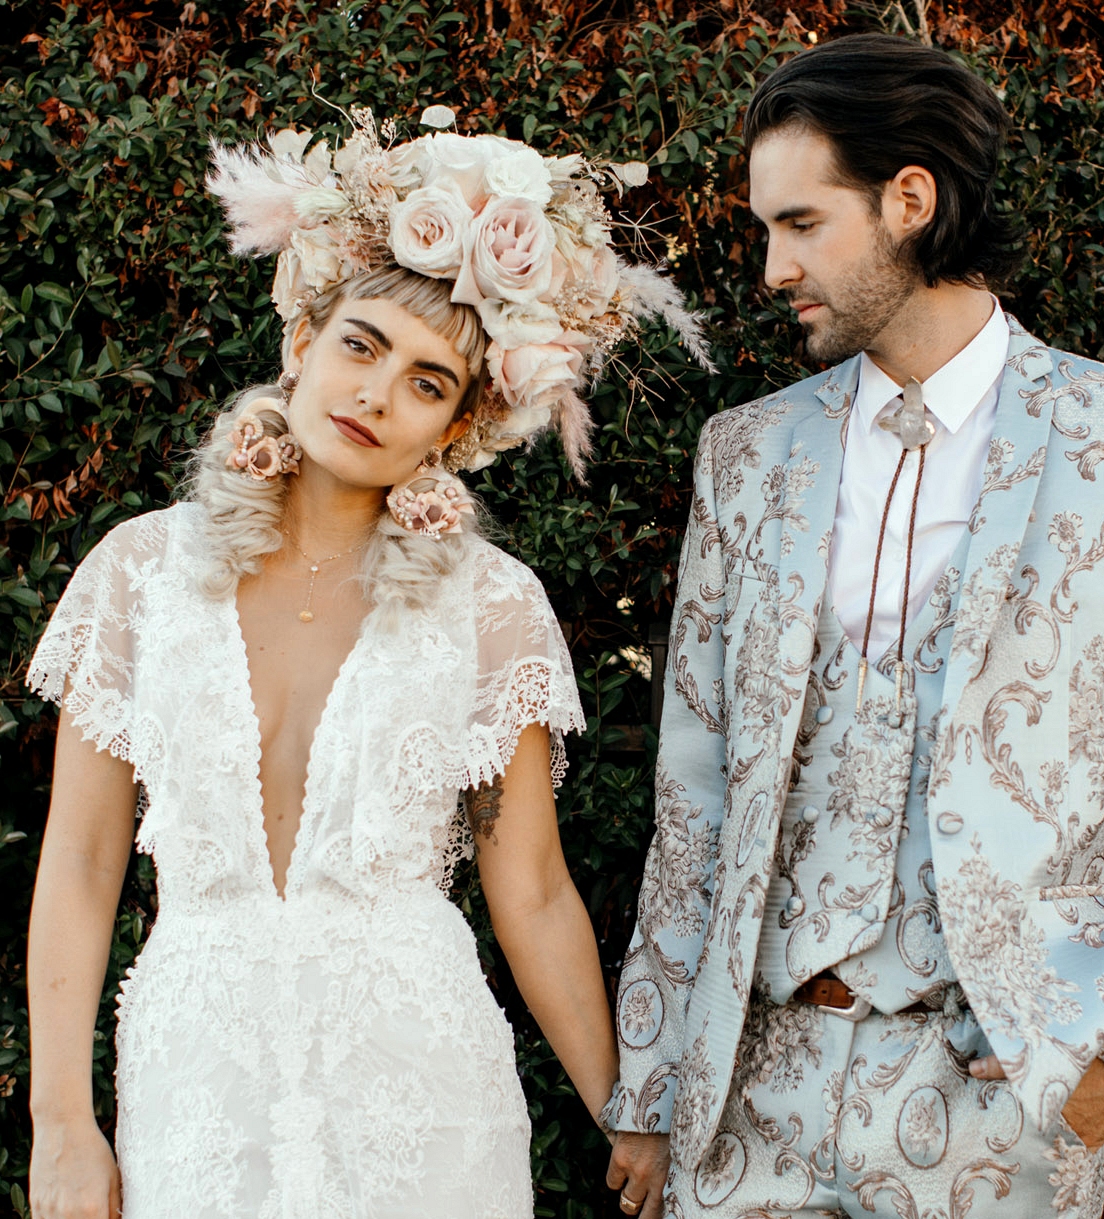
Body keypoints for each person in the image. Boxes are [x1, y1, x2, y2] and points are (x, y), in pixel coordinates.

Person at [25, 105, 707, 1219]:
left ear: (455, 426)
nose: (378, 395)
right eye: (362, 345)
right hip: (196, 1094)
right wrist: (62, 1123)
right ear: (303, 341)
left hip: (425, 1110)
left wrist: (624, 1106)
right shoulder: (138, 575)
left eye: (429, 383)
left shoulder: (493, 606)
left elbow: (529, 888)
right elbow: (84, 858)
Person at [603, 32, 1104, 1219]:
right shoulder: (746, 454)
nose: (771, 267)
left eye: (802, 223)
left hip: (1000, 1103)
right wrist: (653, 1091)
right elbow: (694, 795)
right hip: (750, 1094)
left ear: (910, 200)